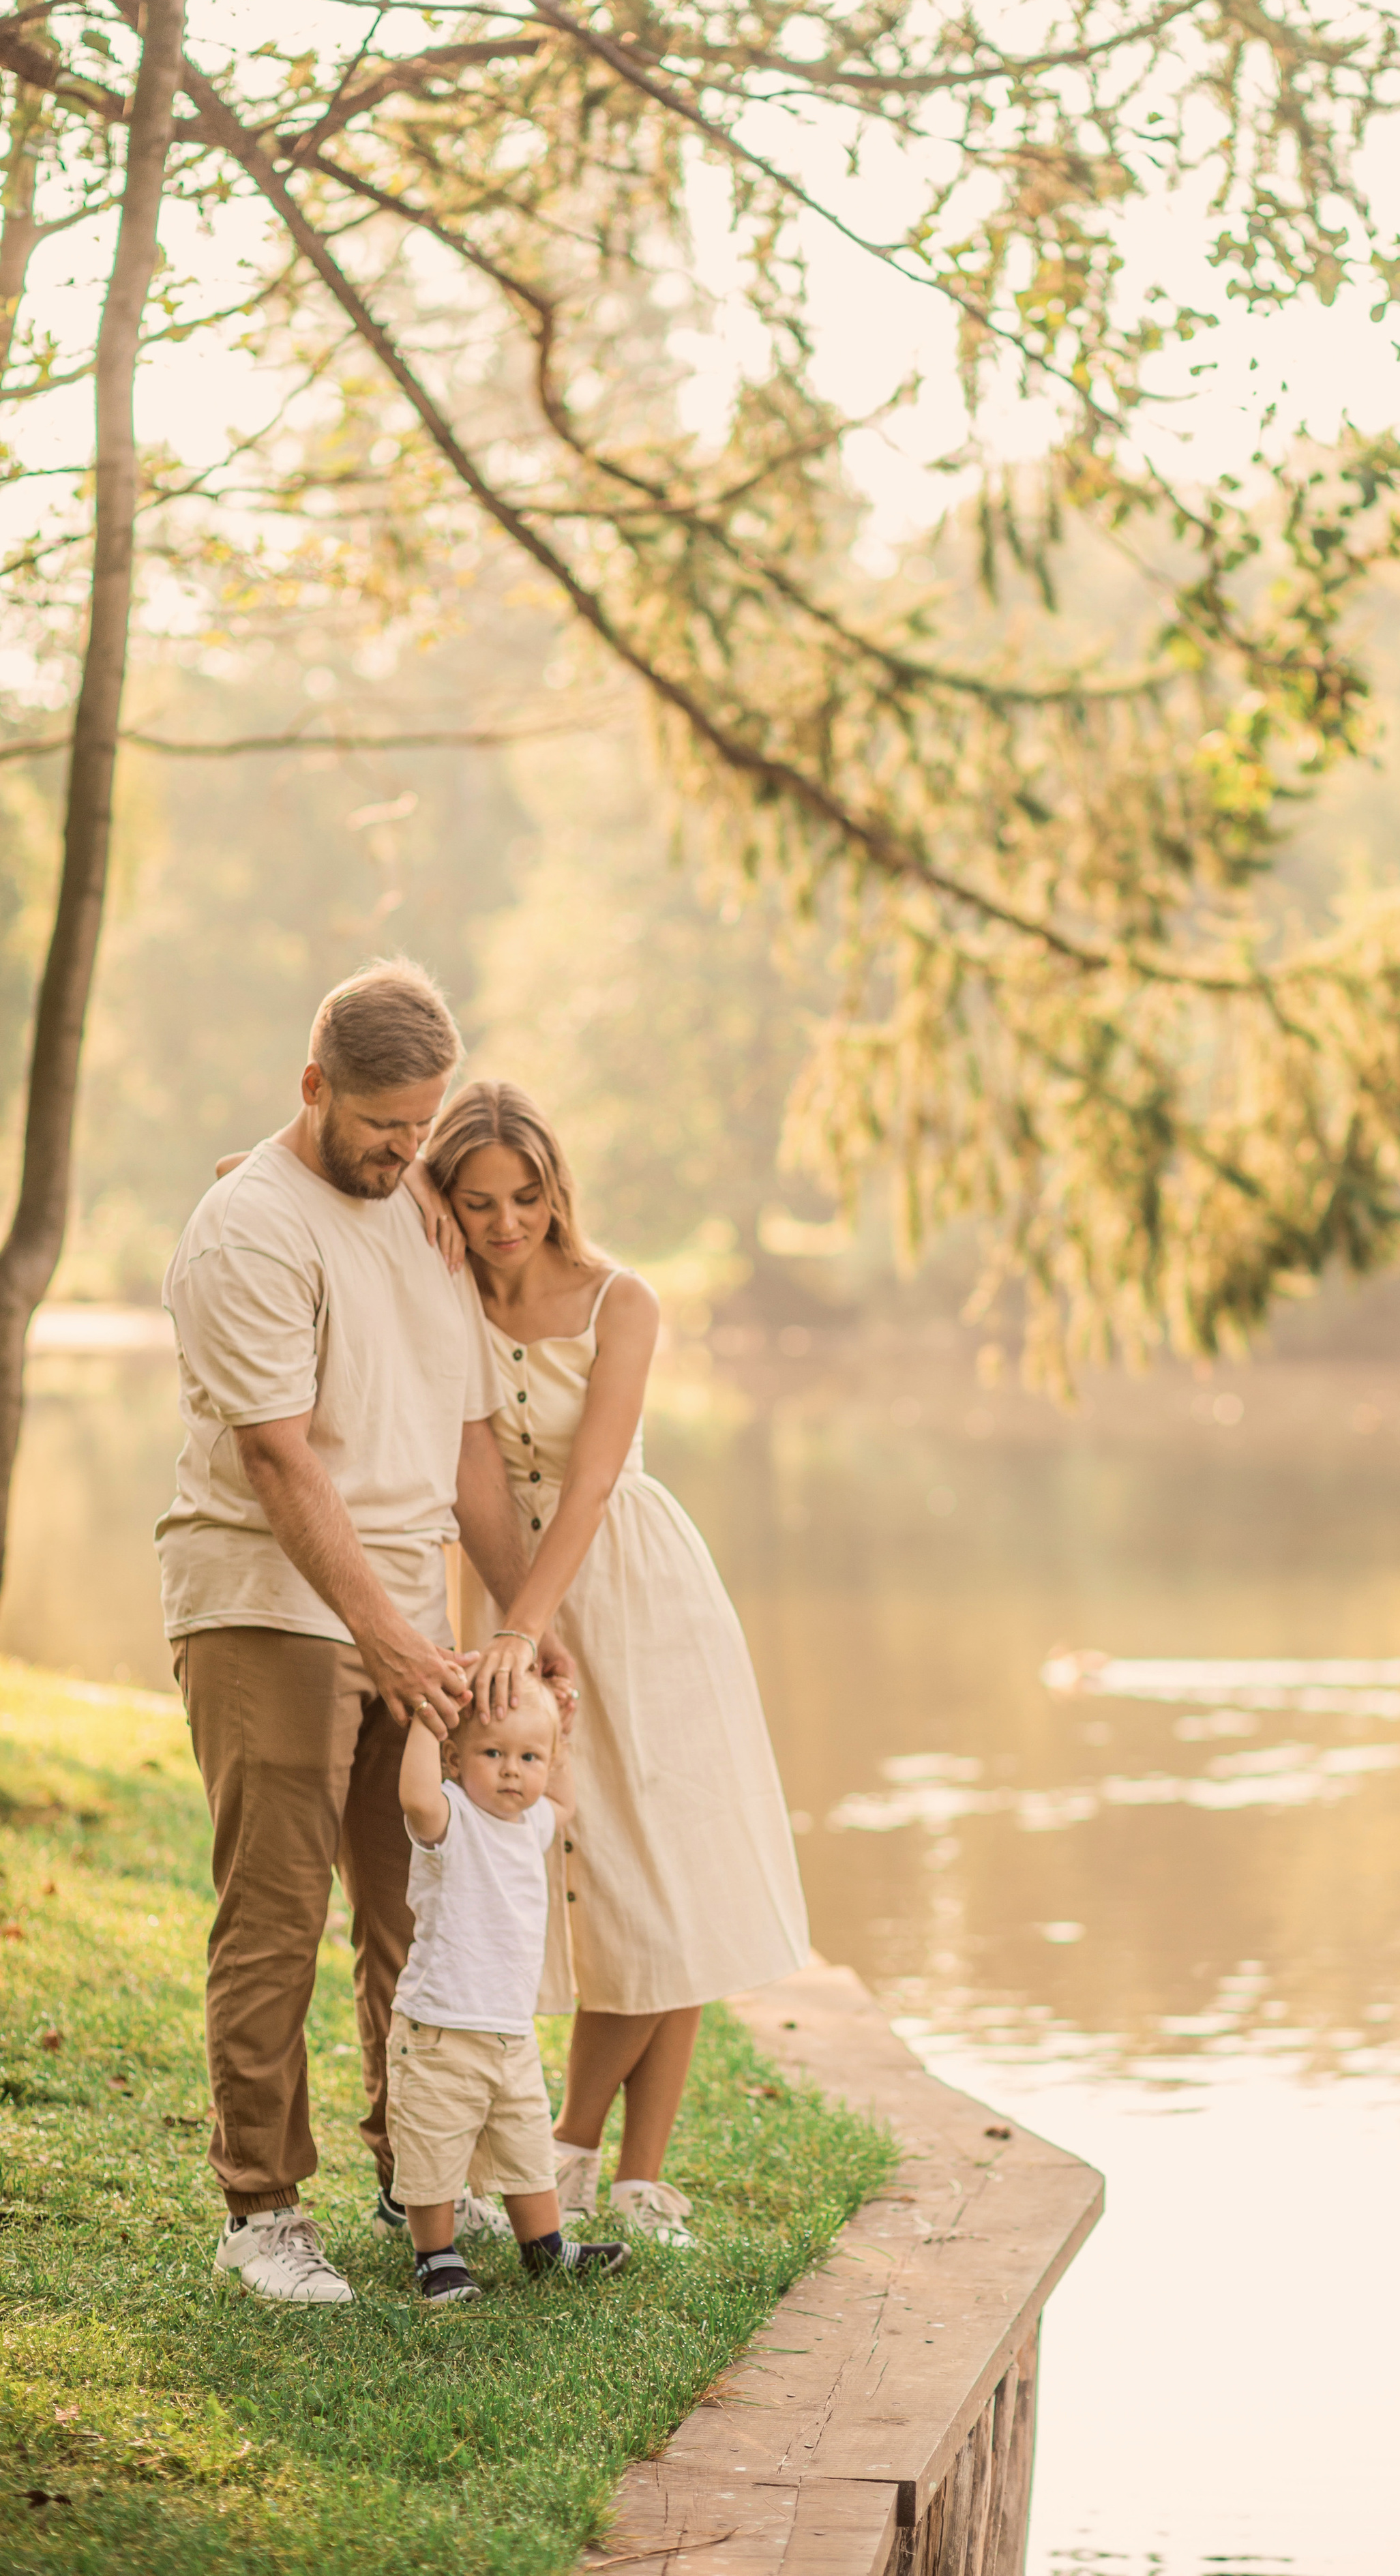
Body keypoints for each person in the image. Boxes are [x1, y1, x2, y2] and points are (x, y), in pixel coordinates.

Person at [158, 960, 576, 2307]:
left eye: (422, 1124)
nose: (407, 1150)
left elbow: (463, 1447)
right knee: (277, 1911)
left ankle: (423, 2179)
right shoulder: (249, 1229)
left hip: (408, 1614)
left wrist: (517, 1618)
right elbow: (278, 1458)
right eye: (383, 1124)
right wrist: (385, 1635)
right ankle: (263, 2210)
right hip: (268, 1605)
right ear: (312, 1087)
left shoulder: (421, 1217)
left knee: (419, 1910)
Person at [419, 1080, 810, 2247]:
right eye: (477, 1201)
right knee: (554, 1861)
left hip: (637, 1596)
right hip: (511, 1591)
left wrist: (522, 1627)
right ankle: (574, 2158)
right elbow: (474, 1475)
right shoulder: (443, 1298)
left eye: (526, 1197)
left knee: (660, 1867)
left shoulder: (621, 1299)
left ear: (558, 1190)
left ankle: (618, 2169)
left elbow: (590, 1483)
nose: (505, 1223)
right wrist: (516, 1625)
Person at [390, 1685, 630, 2305]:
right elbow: (414, 1796)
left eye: (530, 1758)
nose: (512, 1771)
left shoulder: (533, 1822)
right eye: (492, 1753)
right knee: (433, 2145)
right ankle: (436, 2256)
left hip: (511, 2033)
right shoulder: (450, 1817)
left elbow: (565, 1802)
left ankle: (545, 2246)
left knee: (527, 2145)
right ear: (453, 1759)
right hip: (440, 2029)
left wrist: (563, 1740)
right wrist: (427, 1721)